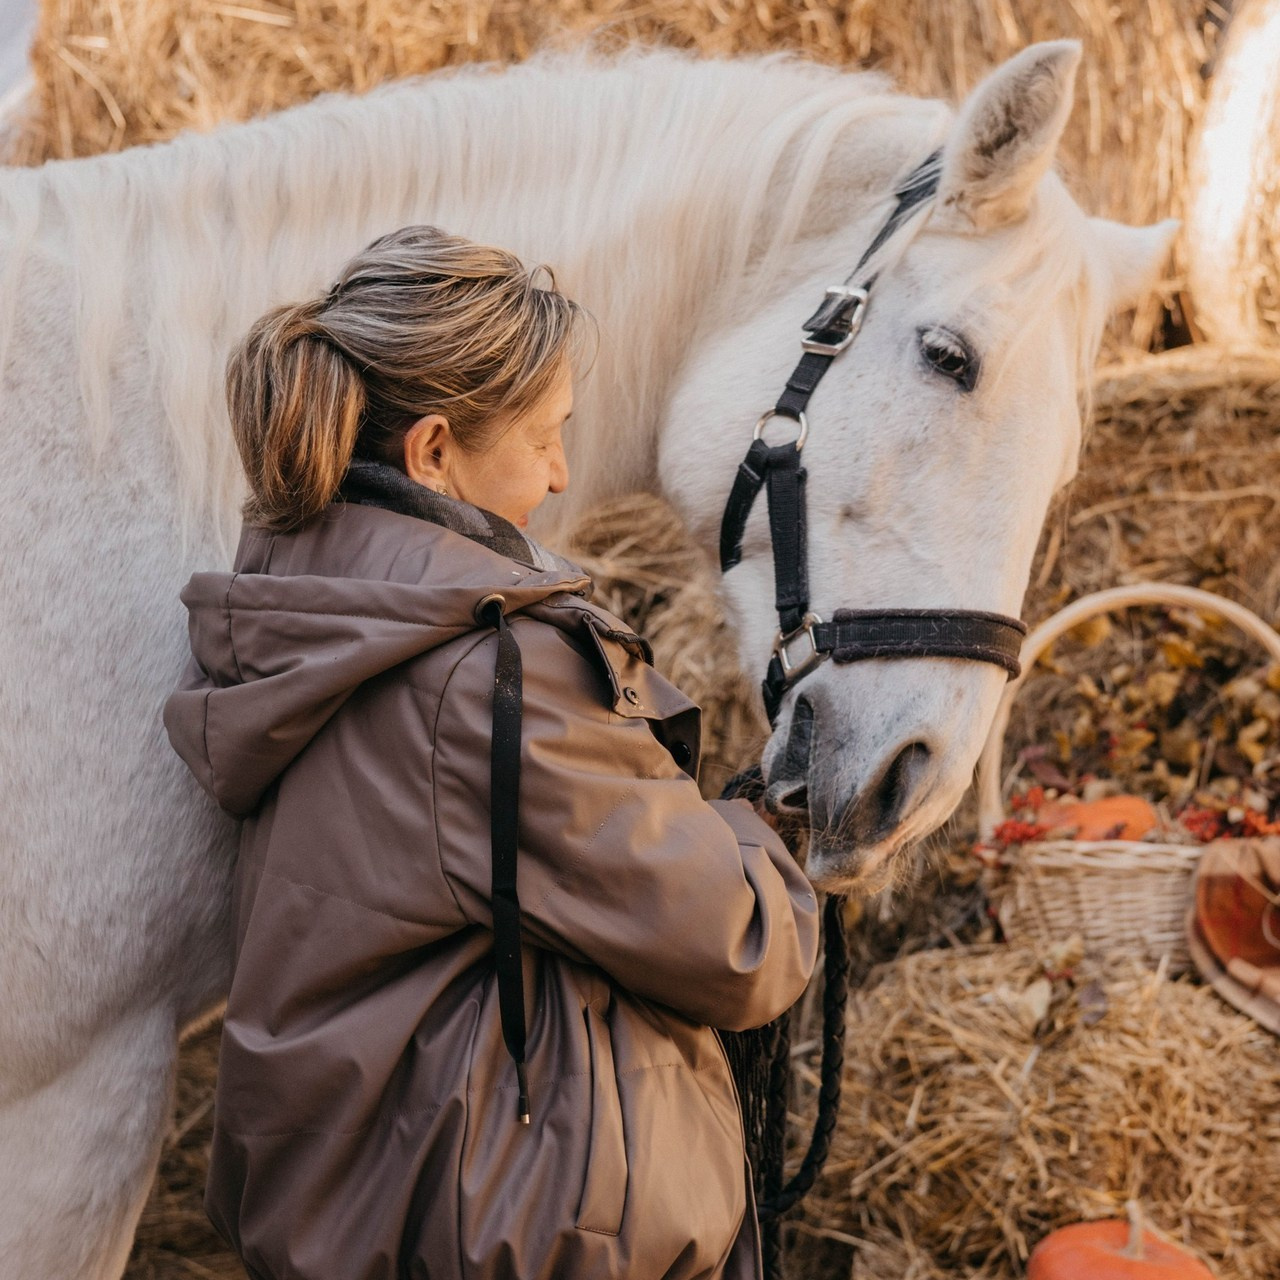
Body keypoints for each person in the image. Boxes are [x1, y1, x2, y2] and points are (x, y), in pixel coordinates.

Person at [163, 224, 819, 1280]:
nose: (560, 475)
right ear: (433, 452)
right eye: (545, 438)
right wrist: (768, 833)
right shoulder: (493, 672)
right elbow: (736, 942)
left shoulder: (295, 611)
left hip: (352, 1205)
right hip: (504, 1233)